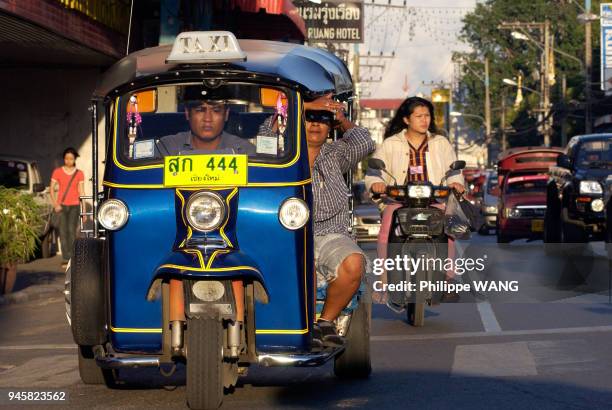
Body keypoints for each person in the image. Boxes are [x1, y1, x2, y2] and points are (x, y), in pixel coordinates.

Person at [364, 96, 465, 304]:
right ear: (406, 120)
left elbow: (454, 170)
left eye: (427, 115)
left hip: (434, 199)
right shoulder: (391, 144)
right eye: (419, 116)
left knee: (449, 232)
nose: (424, 120)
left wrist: (456, 182)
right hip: (400, 201)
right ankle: (384, 284)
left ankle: (448, 281)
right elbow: (374, 172)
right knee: (386, 231)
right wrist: (376, 184)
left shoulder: (441, 142)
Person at [303, 95, 375, 348]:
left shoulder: (335, 154)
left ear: (330, 127)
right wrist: (308, 105)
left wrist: (341, 117)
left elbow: (364, 142)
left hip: (330, 234)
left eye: (323, 120)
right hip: (286, 235)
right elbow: (268, 129)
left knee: (355, 263)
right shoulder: (278, 150)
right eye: (310, 118)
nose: (315, 124)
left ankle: (325, 322)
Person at [158, 86, 256, 156]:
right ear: (188, 113)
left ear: (226, 114)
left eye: (216, 111)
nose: (207, 119)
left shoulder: (244, 151)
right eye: (200, 110)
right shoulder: (168, 148)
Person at [50, 147, 85, 268]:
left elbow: (82, 192)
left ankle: (72, 257)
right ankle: (66, 258)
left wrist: (84, 211)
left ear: (75, 159)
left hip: (75, 206)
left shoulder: (79, 173)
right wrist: (55, 204)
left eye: (71, 158)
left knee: (72, 231)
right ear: (64, 159)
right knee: (63, 233)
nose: (68, 160)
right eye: (66, 158)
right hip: (62, 206)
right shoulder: (57, 172)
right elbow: (51, 189)